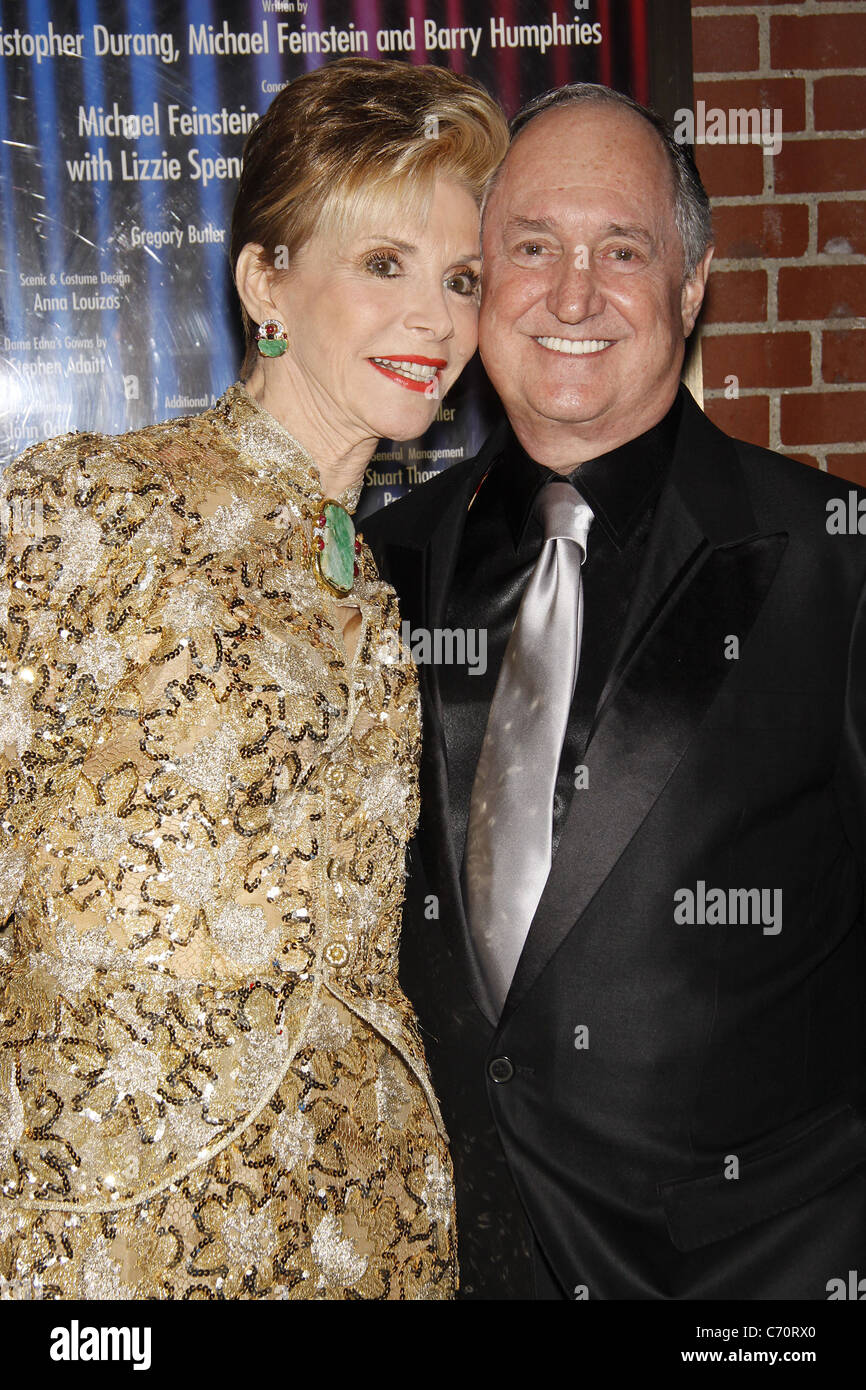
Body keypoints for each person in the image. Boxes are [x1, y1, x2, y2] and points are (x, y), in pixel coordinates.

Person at [0, 56, 508, 1300]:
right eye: (383, 265)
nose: (437, 322)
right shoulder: (89, 507)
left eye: (460, 279)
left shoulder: (392, 591)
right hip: (106, 1233)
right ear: (264, 280)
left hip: (359, 1222)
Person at [364, 83, 866, 1300]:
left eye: (622, 251)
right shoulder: (379, 566)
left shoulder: (836, 563)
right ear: (479, 278)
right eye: (531, 247)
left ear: (690, 287)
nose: (573, 295)